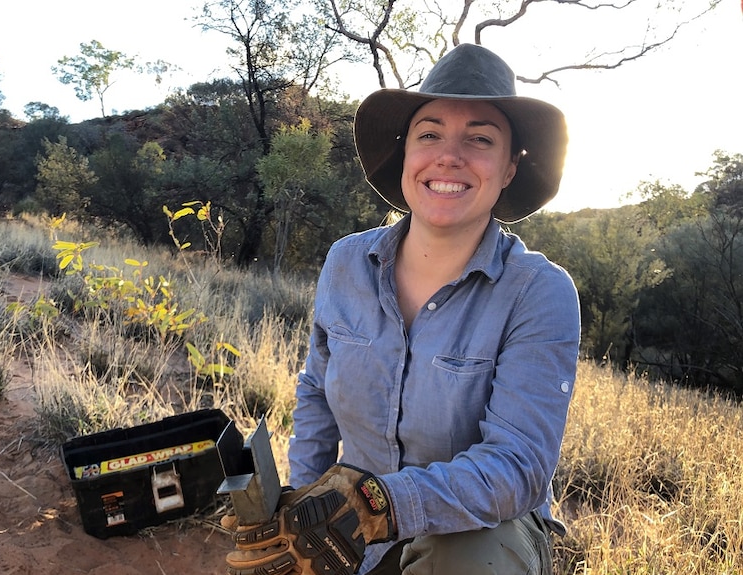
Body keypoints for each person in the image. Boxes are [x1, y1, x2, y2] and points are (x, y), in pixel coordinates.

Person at [223, 43, 580, 575]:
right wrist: (300, 505)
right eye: (429, 134)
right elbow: (317, 393)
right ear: (407, 153)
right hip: (347, 529)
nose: (449, 155)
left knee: (467, 559)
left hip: (478, 530)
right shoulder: (346, 263)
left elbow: (517, 467)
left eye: (480, 139)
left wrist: (381, 504)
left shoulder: (539, 293)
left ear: (509, 168)